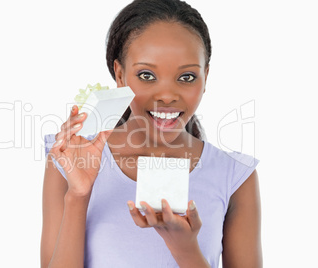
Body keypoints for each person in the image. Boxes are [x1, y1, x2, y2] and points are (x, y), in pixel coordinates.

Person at [40, 0, 262, 267]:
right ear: (120, 75)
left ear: (206, 77)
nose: (167, 95)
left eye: (187, 77)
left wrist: (185, 249)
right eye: (146, 75)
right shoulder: (69, 159)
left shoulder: (234, 176)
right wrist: (79, 195)